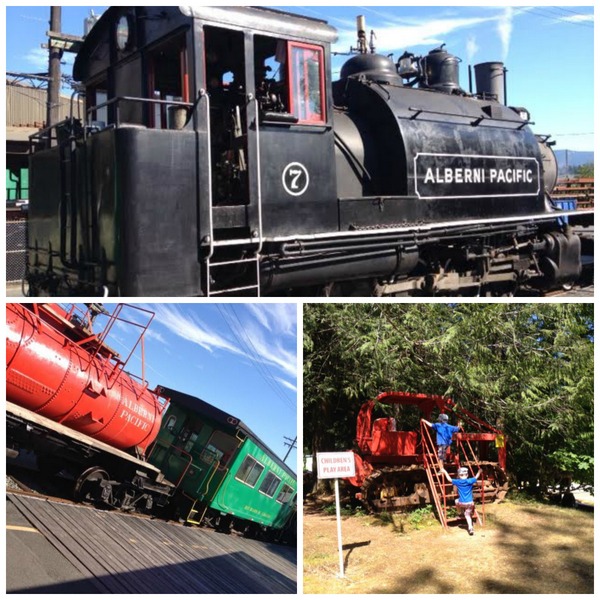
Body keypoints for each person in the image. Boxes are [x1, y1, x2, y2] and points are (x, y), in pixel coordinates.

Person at [441, 466, 482, 535]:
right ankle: (470, 528)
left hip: (462, 503)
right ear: (467, 475)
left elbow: (449, 479)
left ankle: (459, 512)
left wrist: (445, 472)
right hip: (470, 503)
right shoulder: (470, 481)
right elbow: (476, 477)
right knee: (467, 515)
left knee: (456, 501)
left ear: (459, 475)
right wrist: (479, 471)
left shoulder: (458, 482)